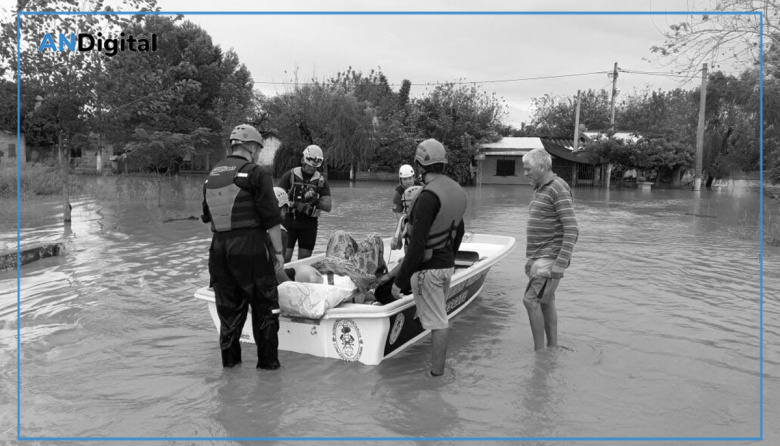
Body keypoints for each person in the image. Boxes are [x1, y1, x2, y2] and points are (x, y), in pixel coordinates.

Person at [201, 124, 286, 370]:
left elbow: (208, 218)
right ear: (250, 146)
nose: (258, 154)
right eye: (258, 148)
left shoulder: (211, 176)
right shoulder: (257, 174)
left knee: (228, 317)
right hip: (251, 248)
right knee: (266, 310)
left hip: (218, 251)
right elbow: (272, 221)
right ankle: (268, 369)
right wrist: (278, 254)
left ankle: (230, 368)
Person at [391, 139, 467, 377]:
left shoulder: (426, 197)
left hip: (428, 271)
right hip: (445, 266)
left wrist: (399, 283)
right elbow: (459, 231)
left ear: (420, 165)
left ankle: (436, 376)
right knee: (439, 319)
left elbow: (416, 246)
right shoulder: (455, 190)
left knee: (438, 323)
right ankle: (437, 370)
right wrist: (449, 260)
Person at [521, 147, 579, 351]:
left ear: (542, 166)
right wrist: (531, 260)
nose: (525, 173)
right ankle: (552, 349)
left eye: (528, 169)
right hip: (541, 257)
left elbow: (571, 228)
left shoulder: (557, 188)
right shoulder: (541, 188)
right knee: (545, 301)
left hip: (550, 257)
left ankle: (540, 353)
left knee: (530, 300)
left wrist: (560, 263)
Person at [278, 145, 332, 263]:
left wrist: (315, 201)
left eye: (315, 167)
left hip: (309, 225)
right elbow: (276, 198)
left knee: (304, 261)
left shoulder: (321, 181)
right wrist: (296, 204)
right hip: (288, 221)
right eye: (310, 166)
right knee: (285, 258)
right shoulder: (290, 175)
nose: (312, 169)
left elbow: (328, 207)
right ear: (303, 160)